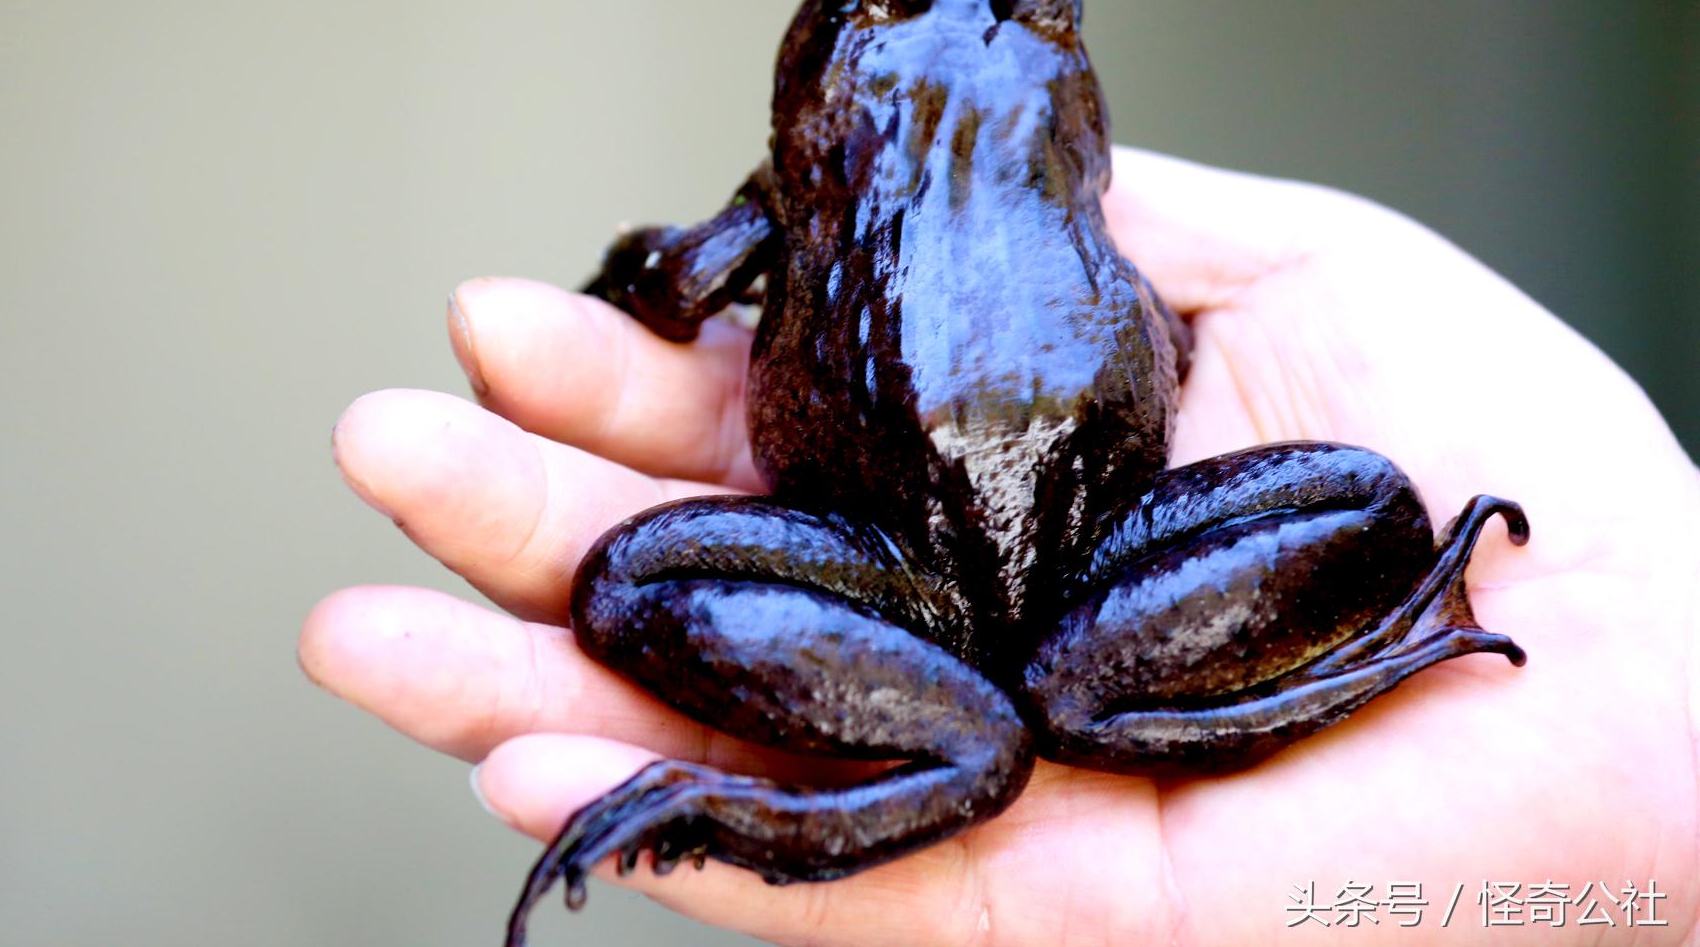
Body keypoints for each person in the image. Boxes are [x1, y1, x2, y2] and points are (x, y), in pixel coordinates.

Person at [299, 148, 1700, 943]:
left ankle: (867, 774)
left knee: (624, 579)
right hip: (1065, 580)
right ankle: (954, 744)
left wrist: (634, 262)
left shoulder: (793, 194)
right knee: (1378, 512)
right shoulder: (979, 183)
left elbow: (660, 298)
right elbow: (1154, 330)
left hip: (901, 572)